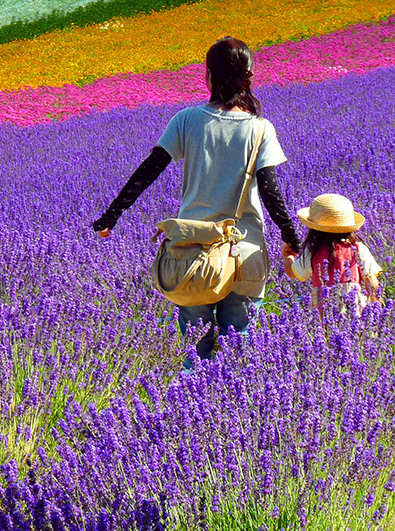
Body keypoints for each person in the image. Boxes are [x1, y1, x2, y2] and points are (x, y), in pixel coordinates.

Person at [92, 36, 303, 363]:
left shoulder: (187, 120)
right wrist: (292, 240)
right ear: (249, 74)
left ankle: (194, 413)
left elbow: (149, 169)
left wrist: (111, 215)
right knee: (239, 356)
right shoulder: (260, 129)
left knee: (196, 355)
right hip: (243, 256)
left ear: (208, 74)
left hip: (192, 258)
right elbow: (271, 194)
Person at [282, 193, 383, 316]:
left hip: (322, 318)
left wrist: (288, 257)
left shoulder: (313, 251)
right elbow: (373, 284)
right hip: (355, 315)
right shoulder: (358, 249)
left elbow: (292, 273)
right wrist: (376, 310)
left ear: (313, 229)